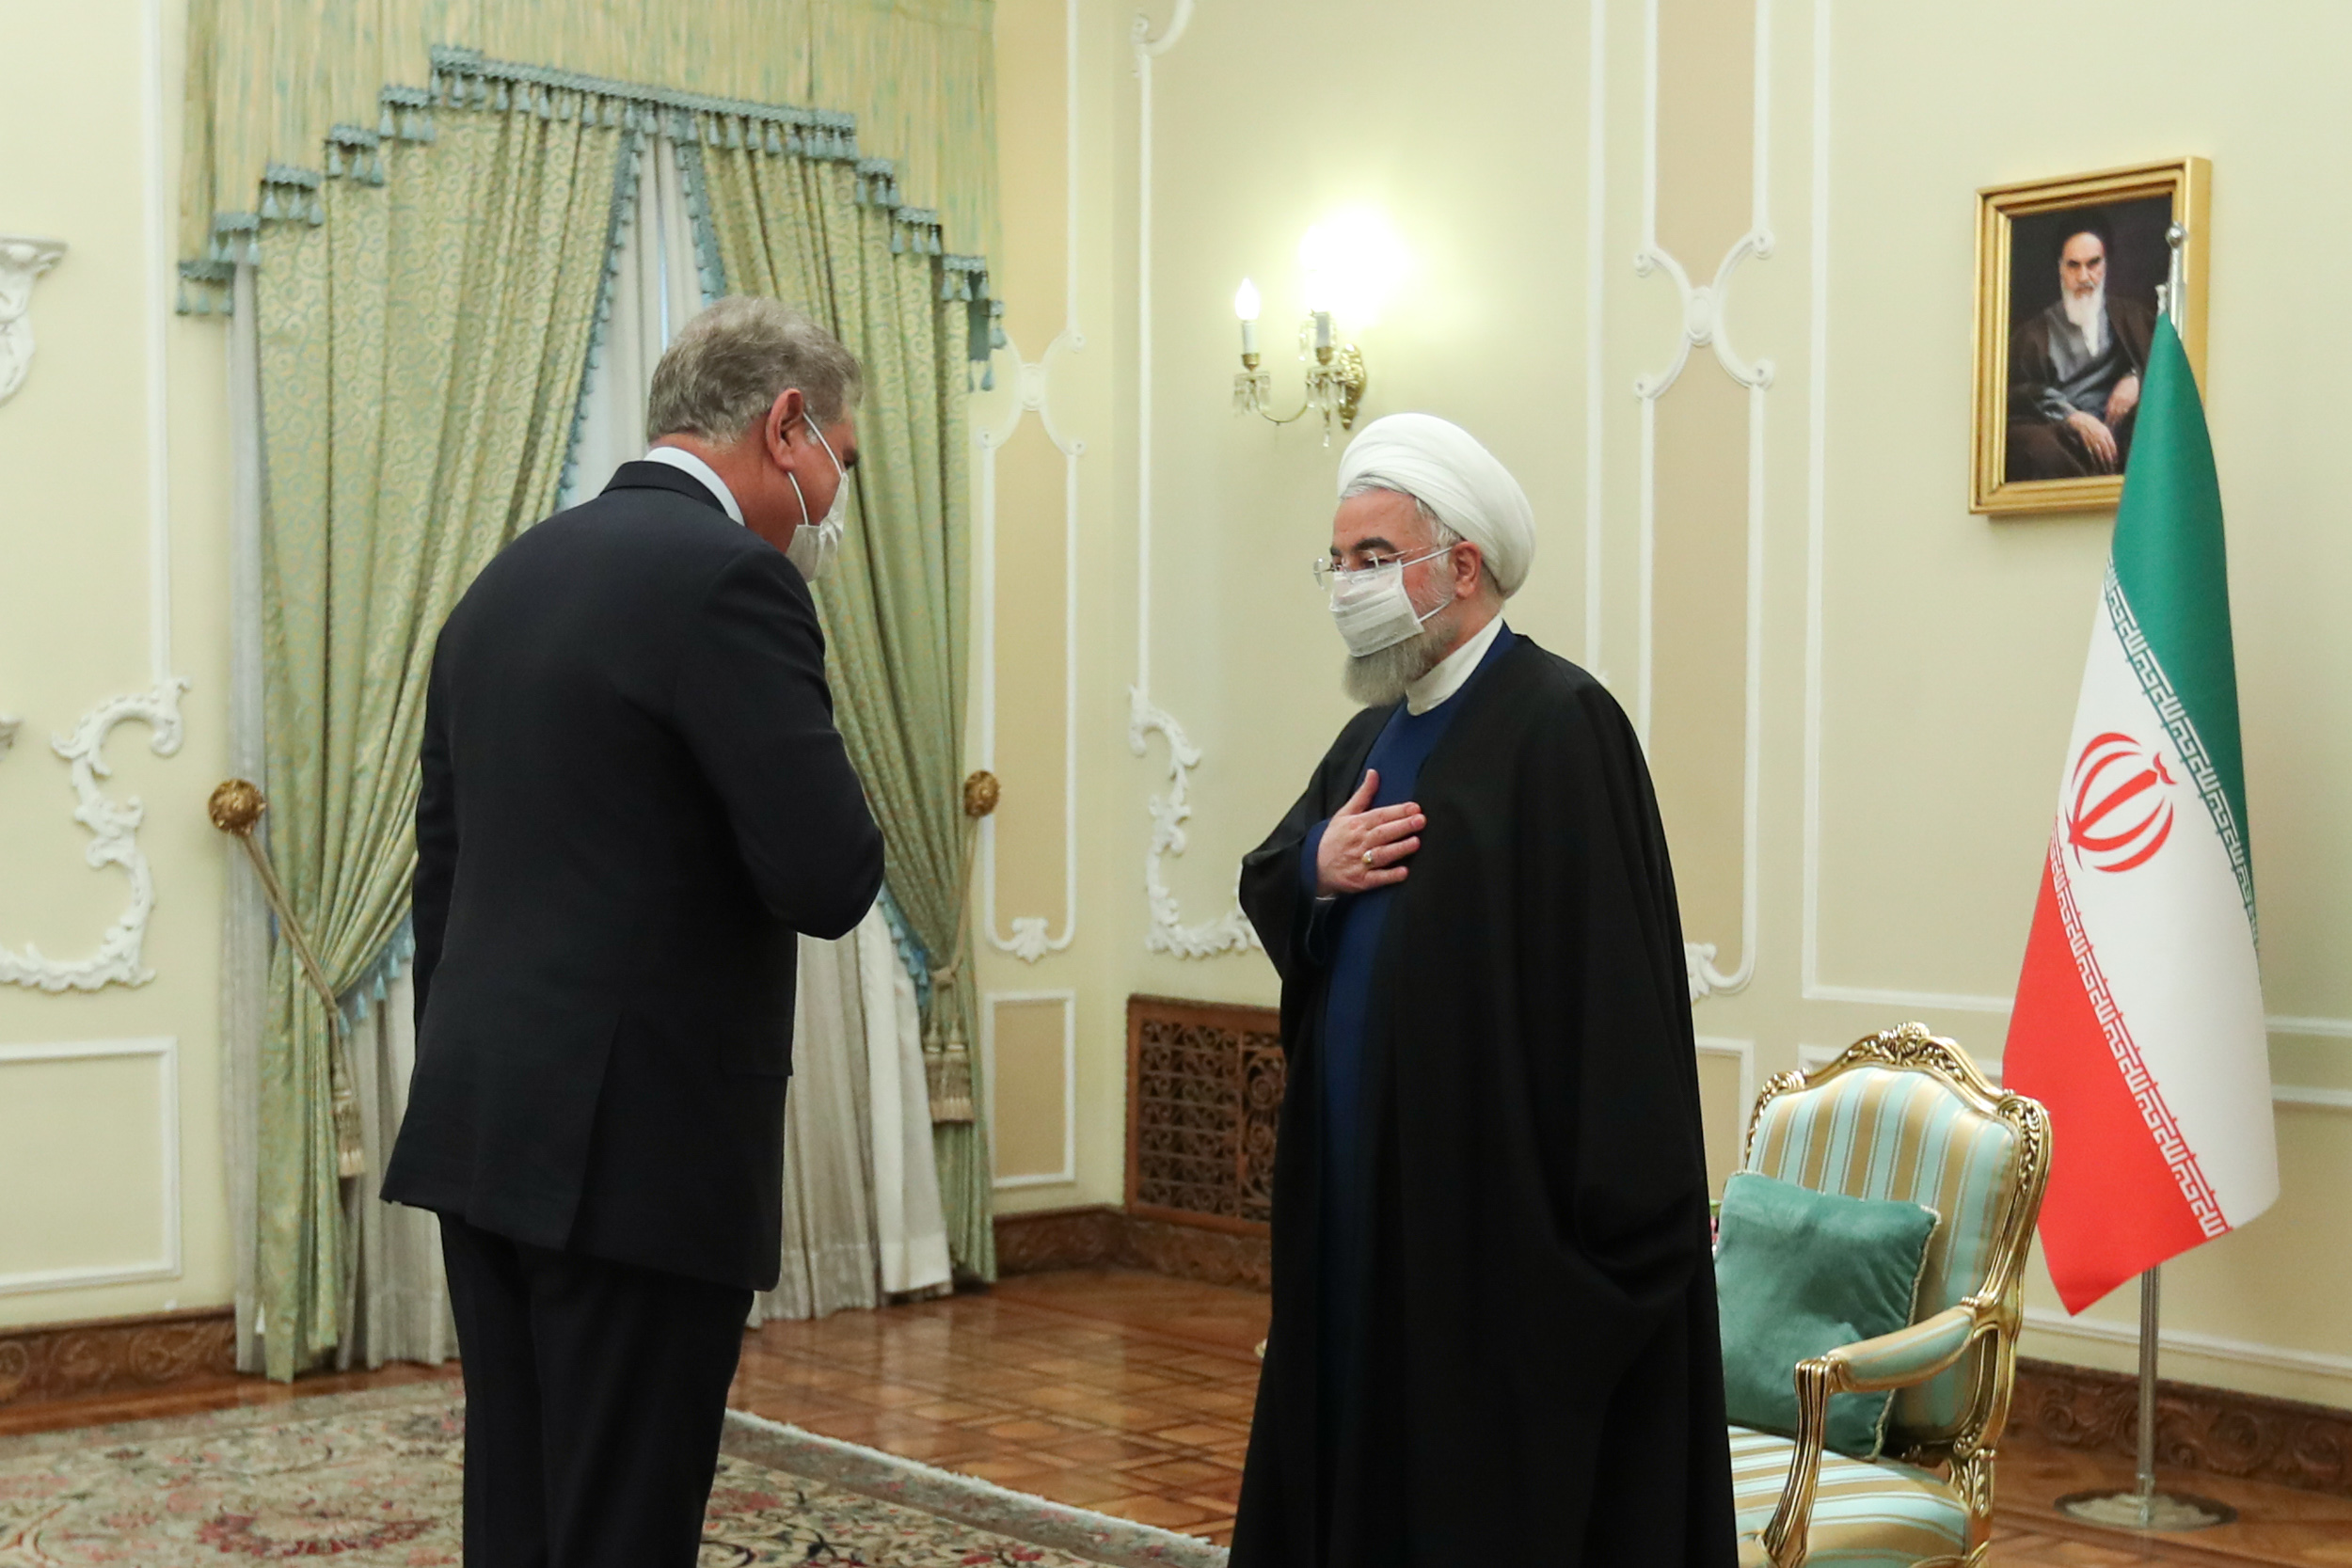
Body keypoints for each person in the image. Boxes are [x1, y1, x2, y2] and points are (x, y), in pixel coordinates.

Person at [383, 296, 886, 1568]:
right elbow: (829, 873)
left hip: (484, 1119)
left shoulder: (508, 576)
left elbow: (443, 873)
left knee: (524, 1504)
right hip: (639, 1145)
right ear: (786, 427)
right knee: (624, 1519)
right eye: (844, 456)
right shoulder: (731, 581)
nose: (836, 495)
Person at [1230, 413, 1735, 1567]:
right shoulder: (1371, 731)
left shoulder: (1559, 723)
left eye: (1373, 559)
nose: (1346, 585)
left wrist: (1601, 1238)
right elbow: (1275, 873)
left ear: (1460, 567)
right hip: (1360, 1202)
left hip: (1492, 1228)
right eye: (1339, 560)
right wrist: (1317, 867)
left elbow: (1613, 1005)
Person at [2007, 214, 2155, 480]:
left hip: (2121, 431)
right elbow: (2020, 394)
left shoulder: (2132, 317)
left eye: (2093, 264)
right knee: (2034, 446)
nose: (2084, 276)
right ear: (2060, 269)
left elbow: (2161, 366)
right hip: (2064, 434)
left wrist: (2135, 379)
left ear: (2106, 264)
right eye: (2073, 266)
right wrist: (2074, 418)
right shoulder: (2033, 335)